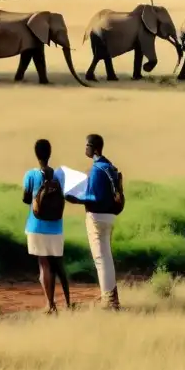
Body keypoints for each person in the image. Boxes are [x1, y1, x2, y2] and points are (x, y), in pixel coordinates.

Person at [65, 133, 121, 310]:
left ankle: (109, 301)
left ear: (95, 148)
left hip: (97, 217)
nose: (85, 149)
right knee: (106, 257)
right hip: (109, 216)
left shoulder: (97, 169)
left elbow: (94, 197)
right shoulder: (109, 167)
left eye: (87, 146)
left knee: (100, 258)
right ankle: (110, 296)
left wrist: (74, 198)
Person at [21, 138, 71, 314]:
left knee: (44, 266)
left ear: (36, 155)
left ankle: (50, 304)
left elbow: (26, 199)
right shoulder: (60, 175)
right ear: (50, 154)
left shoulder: (31, 175)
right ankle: (68, 302)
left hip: (37, 226)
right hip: (56, 227)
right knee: (58, 265)